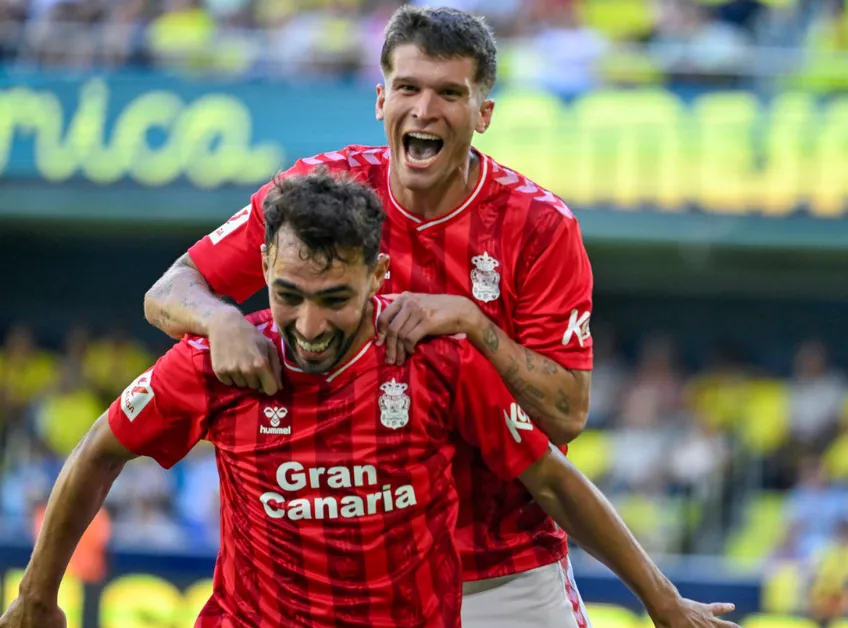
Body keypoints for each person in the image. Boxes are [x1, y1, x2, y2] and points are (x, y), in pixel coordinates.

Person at [0, 172, 736, 628]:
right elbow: (98, 450)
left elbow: (550, 476)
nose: (308, 326)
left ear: (379, 276)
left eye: (335, 299)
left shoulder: (438, 363)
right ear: (263, 266)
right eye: (288, 295)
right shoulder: (214, 362)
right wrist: (36, 594)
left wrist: (661, 599)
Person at [139, 6, 607, 625]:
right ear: (381, 99)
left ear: (483, 113)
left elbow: (567, 414)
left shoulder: (539, 226)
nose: (424, 110)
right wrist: (220, 320)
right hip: (356, 579)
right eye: (408, 88)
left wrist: (475, 325)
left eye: (449, 93)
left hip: (503, 570)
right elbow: (170, 290)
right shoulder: (320, 194)